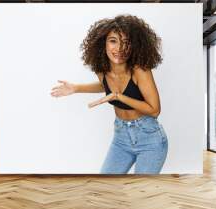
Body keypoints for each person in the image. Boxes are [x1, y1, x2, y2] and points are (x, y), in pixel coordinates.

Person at [50, 14, 168, 174]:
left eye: (126, 42)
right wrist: (76, 88)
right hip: (121, 137)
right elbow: (105, 86)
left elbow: (154, 110)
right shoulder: (102, 70)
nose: (119, 48)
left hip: (149, 138)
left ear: (135, 46)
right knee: (104, 188)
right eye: (113, 41)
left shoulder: (140, 70)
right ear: (103, 43)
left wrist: (119, 96)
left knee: (141, 193)